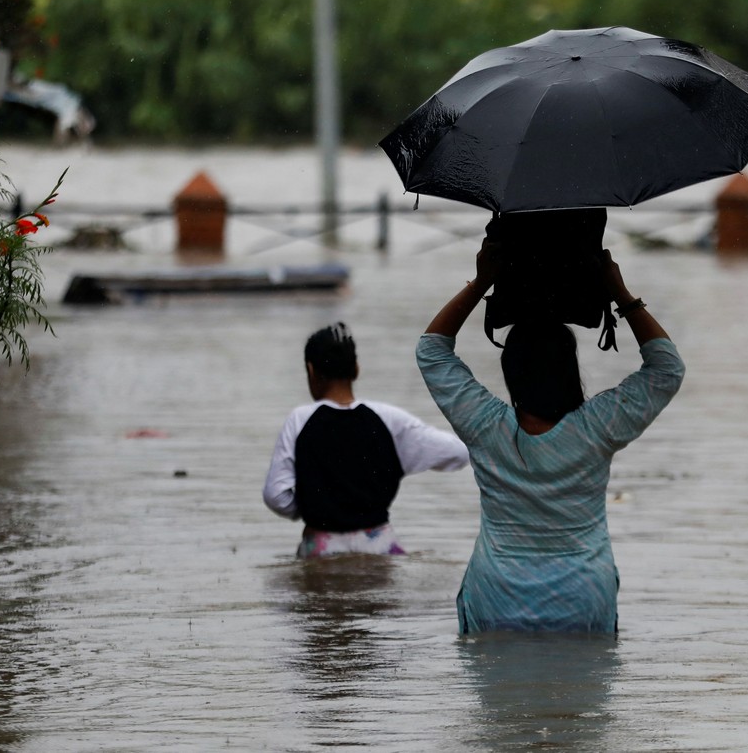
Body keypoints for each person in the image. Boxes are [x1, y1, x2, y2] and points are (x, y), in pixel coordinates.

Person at [415, 243, 685, 633]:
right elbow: (667, 368)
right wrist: (621, 295)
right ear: (569, 370)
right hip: (583, 598)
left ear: (511, 372)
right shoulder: (599, 426)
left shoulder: (485, 425)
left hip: (497, 596)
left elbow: (432, 351)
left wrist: (482, 282)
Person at [264, 322, 469, 558]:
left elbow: (275, 495)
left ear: (311, 371)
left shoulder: (299, 420)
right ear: (357, 369)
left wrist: (313, 506)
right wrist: (403, 460)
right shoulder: (390, 420)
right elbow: (459, 453)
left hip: (321, 546)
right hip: (378, 545)